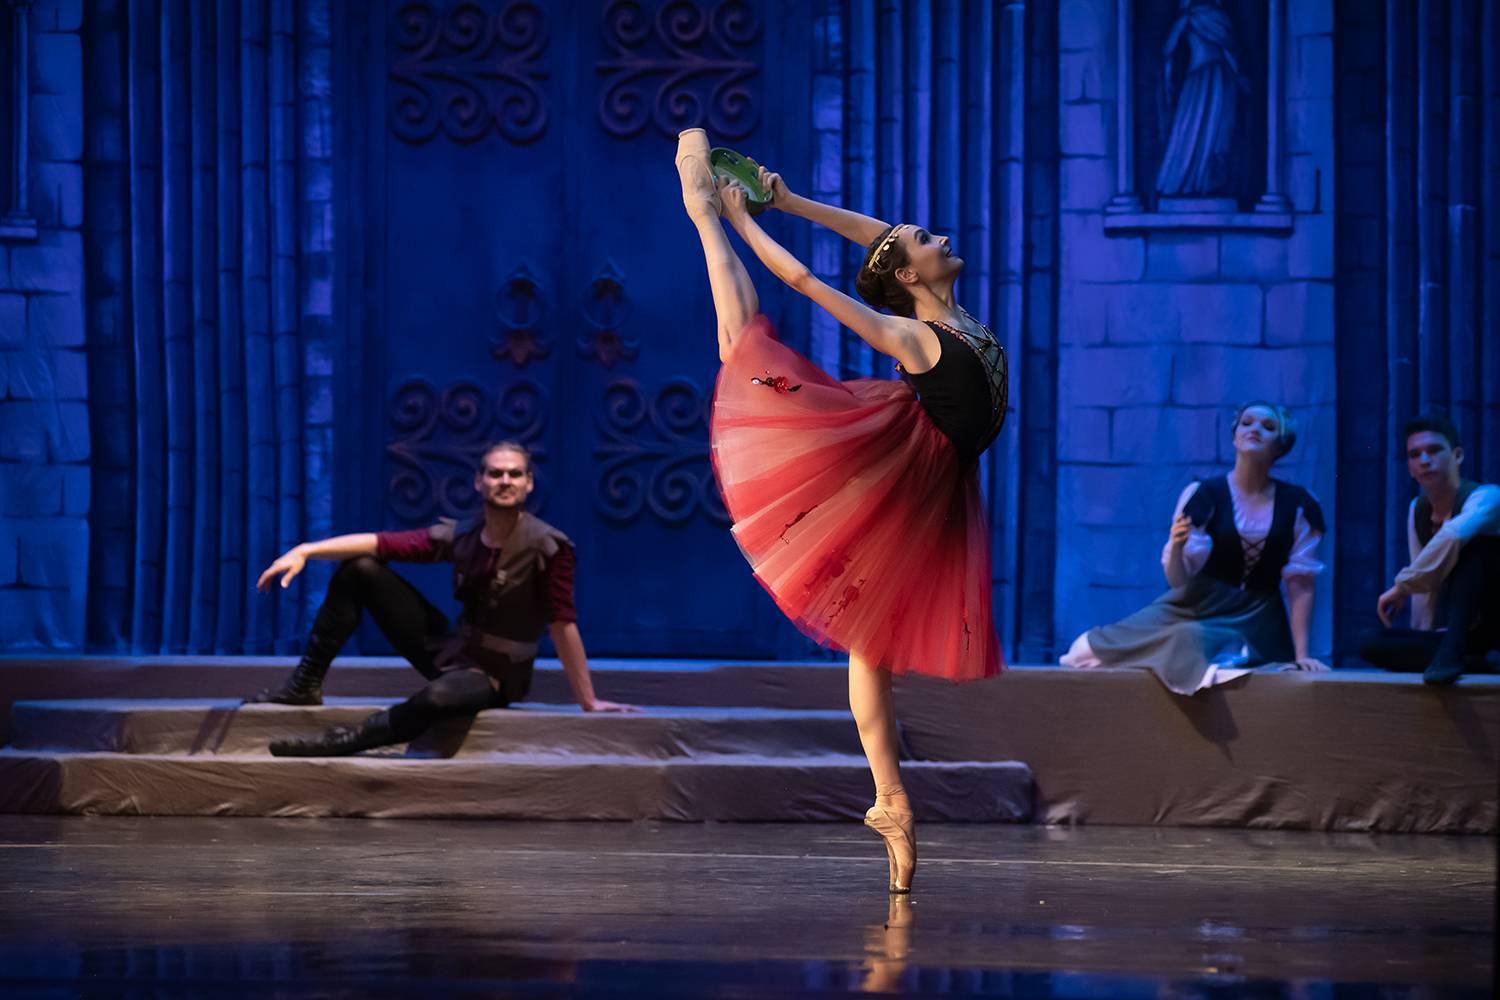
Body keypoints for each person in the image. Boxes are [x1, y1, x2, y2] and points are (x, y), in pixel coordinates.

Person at [675, 127, 1009, 894]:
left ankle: (891, 802)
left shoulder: (949, 317)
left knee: (870, 647)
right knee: (747, 354)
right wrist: (739, 218)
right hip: (892, 463)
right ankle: (701, 214)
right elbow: (801, 280)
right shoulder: (911, 335)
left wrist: (794, 202)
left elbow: (877, 239)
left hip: (922, 479)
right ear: (909, 274)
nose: (942, 238)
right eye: (928, 239)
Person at [247, 441, 633, 756]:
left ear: (529, 483)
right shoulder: (463, 534)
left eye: (515, 474)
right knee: (360, 569)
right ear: (479, 481)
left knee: (436, 698)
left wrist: (588, 700)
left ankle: (353, 739)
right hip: (453, 652)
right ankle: (305, 685)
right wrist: (305, 550)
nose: (505, 480)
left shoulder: (548, 546)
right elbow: (383, 543)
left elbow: (562, 622)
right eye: (495, 473)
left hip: (496, 676)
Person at [1060, 401, 1329, 694]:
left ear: (1281, 445)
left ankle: (1221, 656)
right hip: (1198, 604)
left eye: (1268, 427)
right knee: (1085, 651)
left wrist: (1301, 655)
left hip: (1258, 615)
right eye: (1247, 422)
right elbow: (1178, 581)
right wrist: (1177, 548)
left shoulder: (1299, 504)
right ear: (1234, 436)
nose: (1255, 430)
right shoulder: (1203, 495)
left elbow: (1301, 585)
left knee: (1187, 640)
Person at [1360, 415, 1500, 685]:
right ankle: (1475, 659)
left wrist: (1403, 586)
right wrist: (1424, 635)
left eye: (1434, 450)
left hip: (1493, 622)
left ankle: (1456, 650)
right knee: (1369, 642)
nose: (1424, 460)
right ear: (1410, 467)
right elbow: (1426, 591)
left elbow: (1452, 536)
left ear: (1457, 456)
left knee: (1469, 548)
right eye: (1415, 455)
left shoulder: (1488, 496)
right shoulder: (1418, 510)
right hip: (1463, 636)